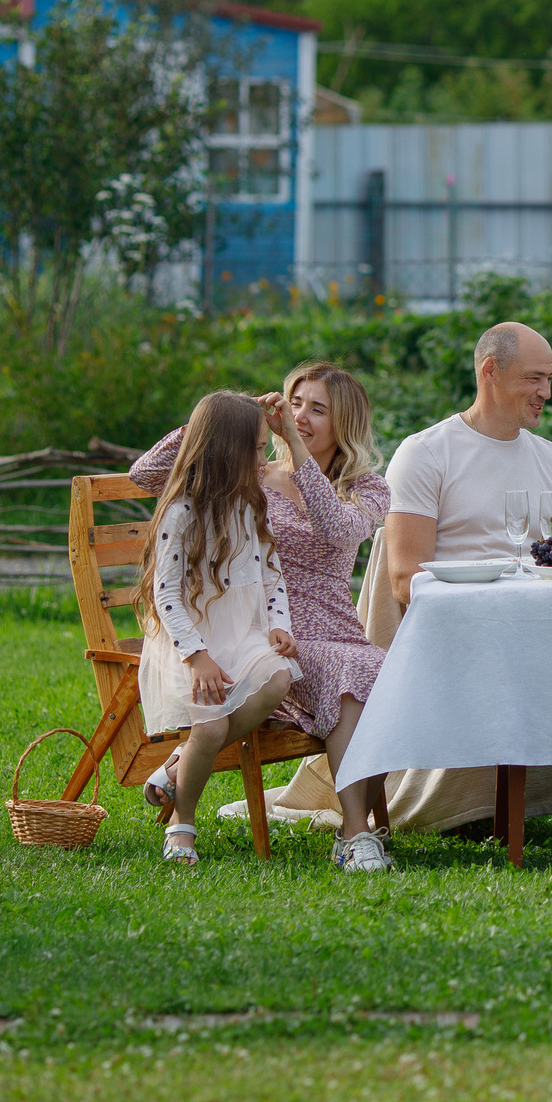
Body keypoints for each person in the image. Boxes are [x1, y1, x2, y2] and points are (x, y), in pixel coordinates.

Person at [359, 321, 552, 833]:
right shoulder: (426, 453)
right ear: (490, 372)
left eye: (549, 379)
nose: (545, 392)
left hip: (547, 626)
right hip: (459, 632)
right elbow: (404, 579)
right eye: (533, 378)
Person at [132, 362, 394, 871]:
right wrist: (223, 419)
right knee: (353, 676)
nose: (299, 417)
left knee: (381, 671)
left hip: (333, 632)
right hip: (257, 634)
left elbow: (337, 530)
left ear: (345, 423)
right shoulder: (249, 474)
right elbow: (145, 475)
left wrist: (295, 448)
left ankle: (182, 761)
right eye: (294, 404)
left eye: (317, 409)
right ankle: (355, 833)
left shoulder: (366, 489)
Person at [135, 391, 298, 866]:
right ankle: (182, 825)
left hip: (243, 636)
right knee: (212, 727)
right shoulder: (182, 511)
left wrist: (279, 625)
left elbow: (272, 573)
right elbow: (166, 595)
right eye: (256, 449)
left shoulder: (251, 503)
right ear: (226, 451)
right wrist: (197, 657)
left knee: (278, 678)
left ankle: (177, 764)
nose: (264, 459)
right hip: (191, 641)